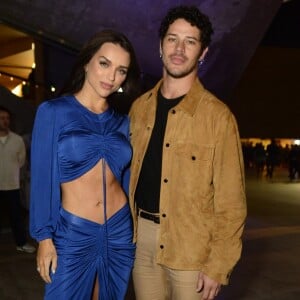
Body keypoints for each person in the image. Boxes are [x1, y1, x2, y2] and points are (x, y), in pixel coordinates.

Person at [129, 5, 247, 300]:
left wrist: (218, 265)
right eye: (172, 39)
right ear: (160, 45)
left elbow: (232, 203)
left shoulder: (219, 118)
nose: (179, 49)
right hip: (141, 241)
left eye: (190, 42)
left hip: (192, 249)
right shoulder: (139, 108)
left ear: (203, 52)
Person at [30, 30, 140, 299]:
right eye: (104, 63)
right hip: (73, 233)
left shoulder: (123, 122)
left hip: (119, 230)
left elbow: (127, 179)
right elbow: (42, 178)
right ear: (87, 62)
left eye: (121, 70)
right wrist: (44, 238)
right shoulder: (53, 112)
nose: (111, 77)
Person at [0, 105, 36, 253]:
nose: (5, 121)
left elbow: (21, 161)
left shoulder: (17, 140)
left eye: (7, 118)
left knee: (16, 217)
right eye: (2, 118)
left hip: (11, 185)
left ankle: (21, 243)